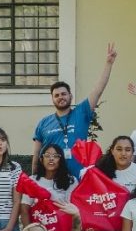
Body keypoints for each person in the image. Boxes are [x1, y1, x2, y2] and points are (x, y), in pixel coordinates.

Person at [33, 44, 117, 175]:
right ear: (52, 99)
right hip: (52, 181)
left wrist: (108, 63)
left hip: (79, 179)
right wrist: (34, 177)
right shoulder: (44, 123)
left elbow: (98, 90)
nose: (61, 97)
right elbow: (37, 154)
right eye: (57, 95)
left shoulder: (81, 112)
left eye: (64, 94)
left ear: (70, 96)